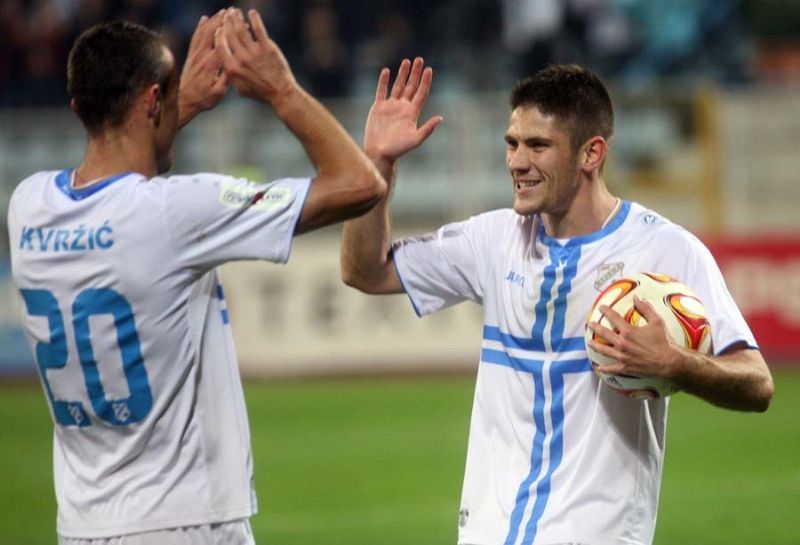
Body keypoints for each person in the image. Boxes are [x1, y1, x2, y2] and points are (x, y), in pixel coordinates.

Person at [341, 61, 774, 545]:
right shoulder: (493, 240)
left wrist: (675, 363)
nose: (517, 162)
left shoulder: (667, 251)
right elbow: (365, 271)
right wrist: (377, 166)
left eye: (538, 145)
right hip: (486, 533)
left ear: (592, 153)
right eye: (512, 143)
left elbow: (757, 383)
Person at [9, 7, 384, 545]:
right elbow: (359, 184)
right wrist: (280, 89)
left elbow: (113, 181)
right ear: (152, 101)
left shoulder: (28, 206)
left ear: (77, 107)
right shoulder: (176, 212)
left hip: (83, 525)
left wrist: (173, 105)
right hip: (184, 519)